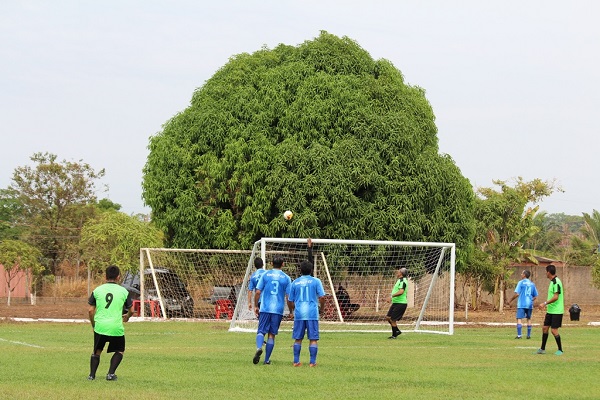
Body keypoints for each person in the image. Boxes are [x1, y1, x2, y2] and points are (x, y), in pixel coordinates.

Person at [87, 265, 133, 381]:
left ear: (105, 276)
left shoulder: (97, 290)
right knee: (120, 350)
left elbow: (90, 310)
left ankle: (92, 375)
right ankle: (110, 374)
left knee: (97, 351)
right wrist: (127, 317)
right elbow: (131, 310)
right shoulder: (124, 291)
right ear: (118, 277)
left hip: (100, 326)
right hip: (115, 327)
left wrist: (94, 325)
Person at [252, 255, 292, 365]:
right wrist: (291, 311)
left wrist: (256, 306)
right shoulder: (286, 278)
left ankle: (259, 347)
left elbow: (258, 292)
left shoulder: (265, 274)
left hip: (265, 307)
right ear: (283, 264)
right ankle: (266, 360)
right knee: (271, 334)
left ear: (271, 263)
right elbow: (288, 297)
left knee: (261, 331)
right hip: (278, 309)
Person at [287, 258, 326, 367]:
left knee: (298, 338)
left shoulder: (295, 282)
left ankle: (296, 361)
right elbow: (322, 297)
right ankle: (312, 362)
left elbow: (290, 300)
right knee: (313, 338)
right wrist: (322, 309)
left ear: (300, 270)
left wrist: (293, 310)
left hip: (299, 314)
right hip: (312, 314)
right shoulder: (316, 281)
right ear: (311, 270)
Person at [536, 264, 564, 355]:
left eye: (546, 272)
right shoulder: (552, 281)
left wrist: (545, 303)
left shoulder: (556, 282)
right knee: (545, 328)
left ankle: (560, 350)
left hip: (557, 311)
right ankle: (542, 349)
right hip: (551, 311)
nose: (545, 273)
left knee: (554, 330)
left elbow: (556, 297)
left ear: (548, 272)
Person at [508, 270, 538, 339]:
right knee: (529, 319)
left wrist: (510, 300)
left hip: (521, 303)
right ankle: (528, 335)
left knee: (519, 318)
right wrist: (531, 300)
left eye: (522, 273)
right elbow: (535, 296)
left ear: (524, 275)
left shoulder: (520, 283)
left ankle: (519, 335)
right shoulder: (532, 284)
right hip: (529, 304)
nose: (521, 274)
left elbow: (517, 294)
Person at [386, 267, 408, 339]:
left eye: (398, 272)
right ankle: (397, 331)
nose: (397, 273)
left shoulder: (403, 281)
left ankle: (394, 335)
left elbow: (401, 292)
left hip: (401, 303)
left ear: (401, 273)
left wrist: (391, 296)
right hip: (396, 303)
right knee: (388, 318)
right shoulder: (399, 280)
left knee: (392, 319)